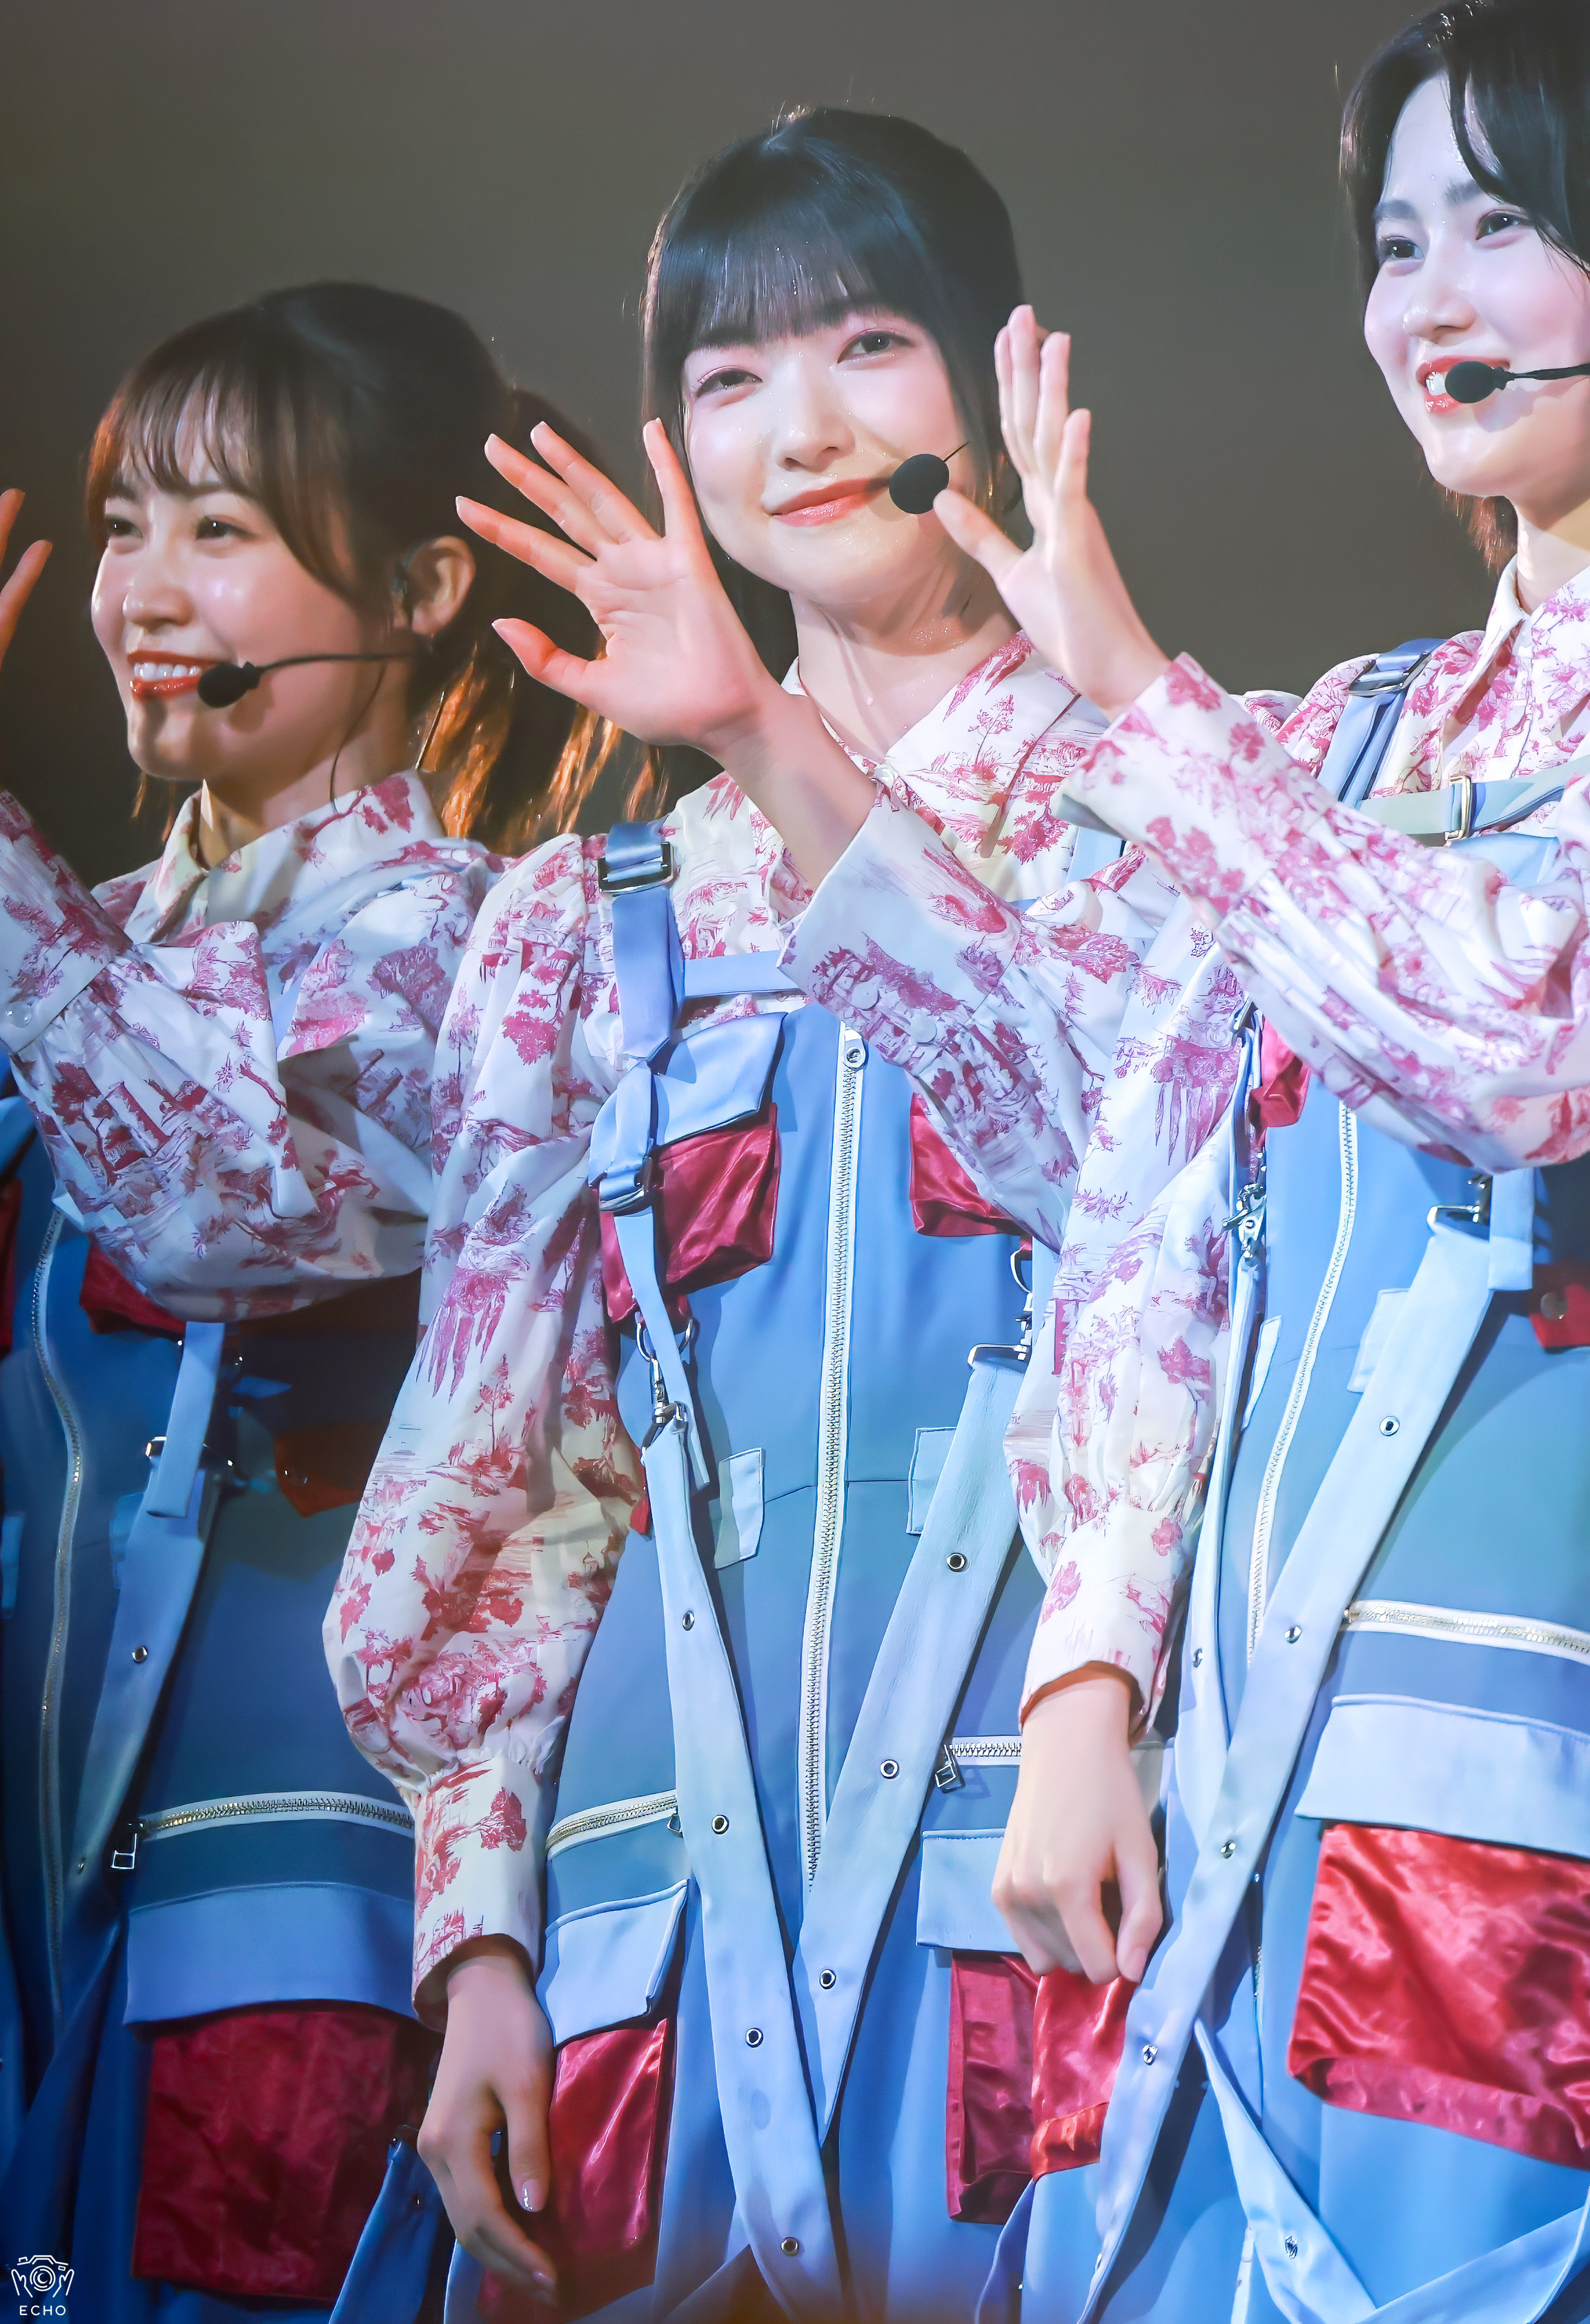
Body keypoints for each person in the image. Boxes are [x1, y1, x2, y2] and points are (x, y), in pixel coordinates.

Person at [533, 1, 1590, 2314]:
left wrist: (1125, 690)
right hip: (1245, 1739)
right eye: (1396, 242)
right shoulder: (1342, 732)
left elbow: (1522, 1045)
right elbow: (1128, 1200)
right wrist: (1094, 1681)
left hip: (1520, 1716)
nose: (1434, 297)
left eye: (1507, 223)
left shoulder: (1199, 748)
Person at [324, 109, 1199, 2321]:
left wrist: (762, 747)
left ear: (994, 375)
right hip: (649, 1886)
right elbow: (498, 1466)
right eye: (730, 377)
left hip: (1051, 1817)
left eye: (865, 345)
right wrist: (479, 1938)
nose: (796, 428)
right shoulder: (579, 918)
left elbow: (1113, 1193)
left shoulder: (1184, 802)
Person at [0, 282, 612, 2324]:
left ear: (422, 589)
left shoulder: (467, 946)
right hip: (42, 1860)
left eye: (222, 529)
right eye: (124, 529)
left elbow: (203, 1200)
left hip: (287, 1876)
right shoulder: (75, 932)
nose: (147, 592)